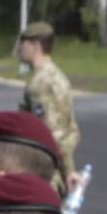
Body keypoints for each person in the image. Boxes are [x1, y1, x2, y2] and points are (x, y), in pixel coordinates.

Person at [20, 29, 80, 177]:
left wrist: (68, 172)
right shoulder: (55, 75)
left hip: (46, 170)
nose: (20, 48)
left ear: (36, 46)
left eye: (23, 43)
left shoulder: (42, 84)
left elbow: (52, 133)